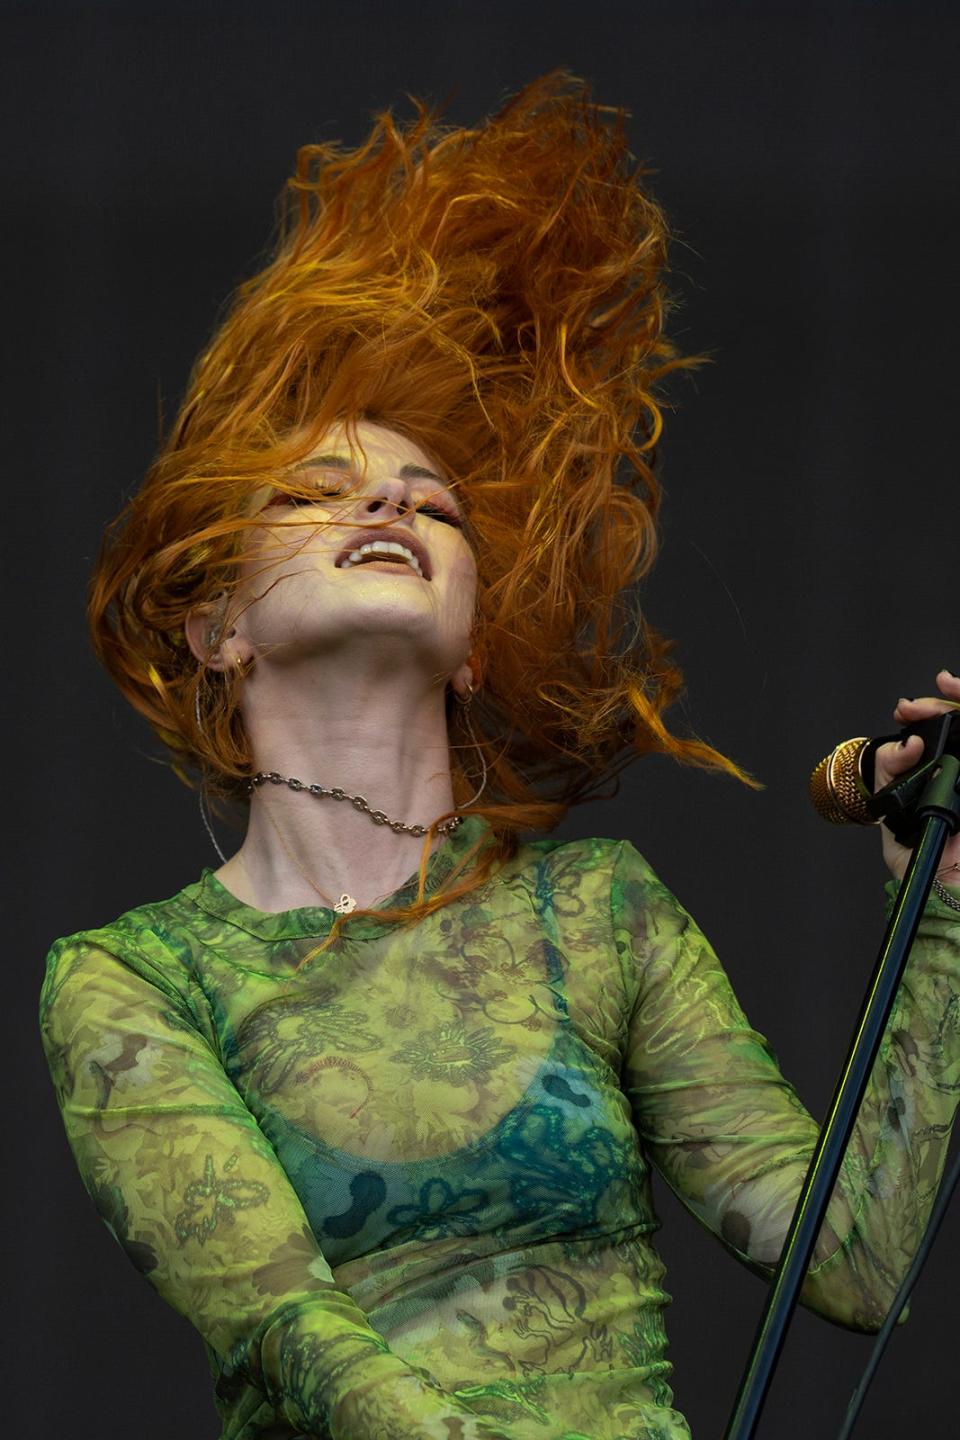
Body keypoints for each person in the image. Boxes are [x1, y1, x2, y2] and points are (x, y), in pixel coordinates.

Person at [39, 71, 960, 1440]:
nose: (393, 500)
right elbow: (300, 1341)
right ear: (219, 624)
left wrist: (937, 915)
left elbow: (857, 1262)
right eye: (319, 490)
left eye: (437, 505)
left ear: (477, 644)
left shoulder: (601, 915)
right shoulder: (131, 980)